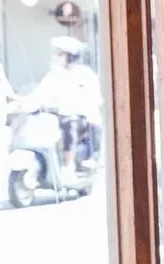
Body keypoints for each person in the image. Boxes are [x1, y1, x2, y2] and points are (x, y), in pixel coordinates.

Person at [22, 35, 104, 167]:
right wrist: (21, 104)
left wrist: (81, 107)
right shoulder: (54, 75)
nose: (56, 57)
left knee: (71, 122)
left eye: (60, 54)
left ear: (71, 56)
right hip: (56, 117)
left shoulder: (85, 74)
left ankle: (69, 164)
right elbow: (38, 94)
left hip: (81, 118)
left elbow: (96, 98)